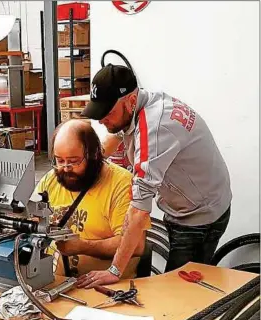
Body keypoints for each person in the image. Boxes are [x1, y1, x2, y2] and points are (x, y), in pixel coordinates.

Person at [81, 63, 232, 286]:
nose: (102, 121)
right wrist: (93, 160)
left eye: (107, 113)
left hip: (199, 216)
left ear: (131, 101)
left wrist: (114, 271)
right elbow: (120, 132)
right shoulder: (142, 104)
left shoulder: (156, 129)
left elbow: (139, 213)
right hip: (194, 199)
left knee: (179, 291)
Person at [34, 119, 150, 288]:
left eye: (74, 161)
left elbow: (137, 245)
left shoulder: (121, 184)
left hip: (108, 287)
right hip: (58, 283)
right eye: (59, 160)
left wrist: (84, 246)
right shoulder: (52, 179)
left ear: (94, 155)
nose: (66, 168)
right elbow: (32, 217)